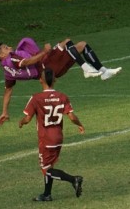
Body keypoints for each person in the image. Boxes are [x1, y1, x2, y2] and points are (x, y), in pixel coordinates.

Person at [0, 37, 121, 125]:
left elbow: (8, 91)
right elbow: (27, 62)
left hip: (49, 67)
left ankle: (104, 71)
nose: (9, 47)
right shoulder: (11, 58)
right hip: (47, 65)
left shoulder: (7, 71)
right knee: (68, 42)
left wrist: (4, 112)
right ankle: (86, 68)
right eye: (5, 48)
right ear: (1, 55)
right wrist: (45, 52)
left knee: (81, 46)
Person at [19, 68, 84, 201]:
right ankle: (47, 194)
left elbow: (27, 118)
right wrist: (79, 124)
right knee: (50, 166)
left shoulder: (36, 98)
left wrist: (21, 122)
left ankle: (74, 179)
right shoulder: (62, 96)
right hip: (58, 137)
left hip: (46, 138)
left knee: (46, 169)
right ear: (55, 80)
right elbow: (71, 116)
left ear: (40, 80)